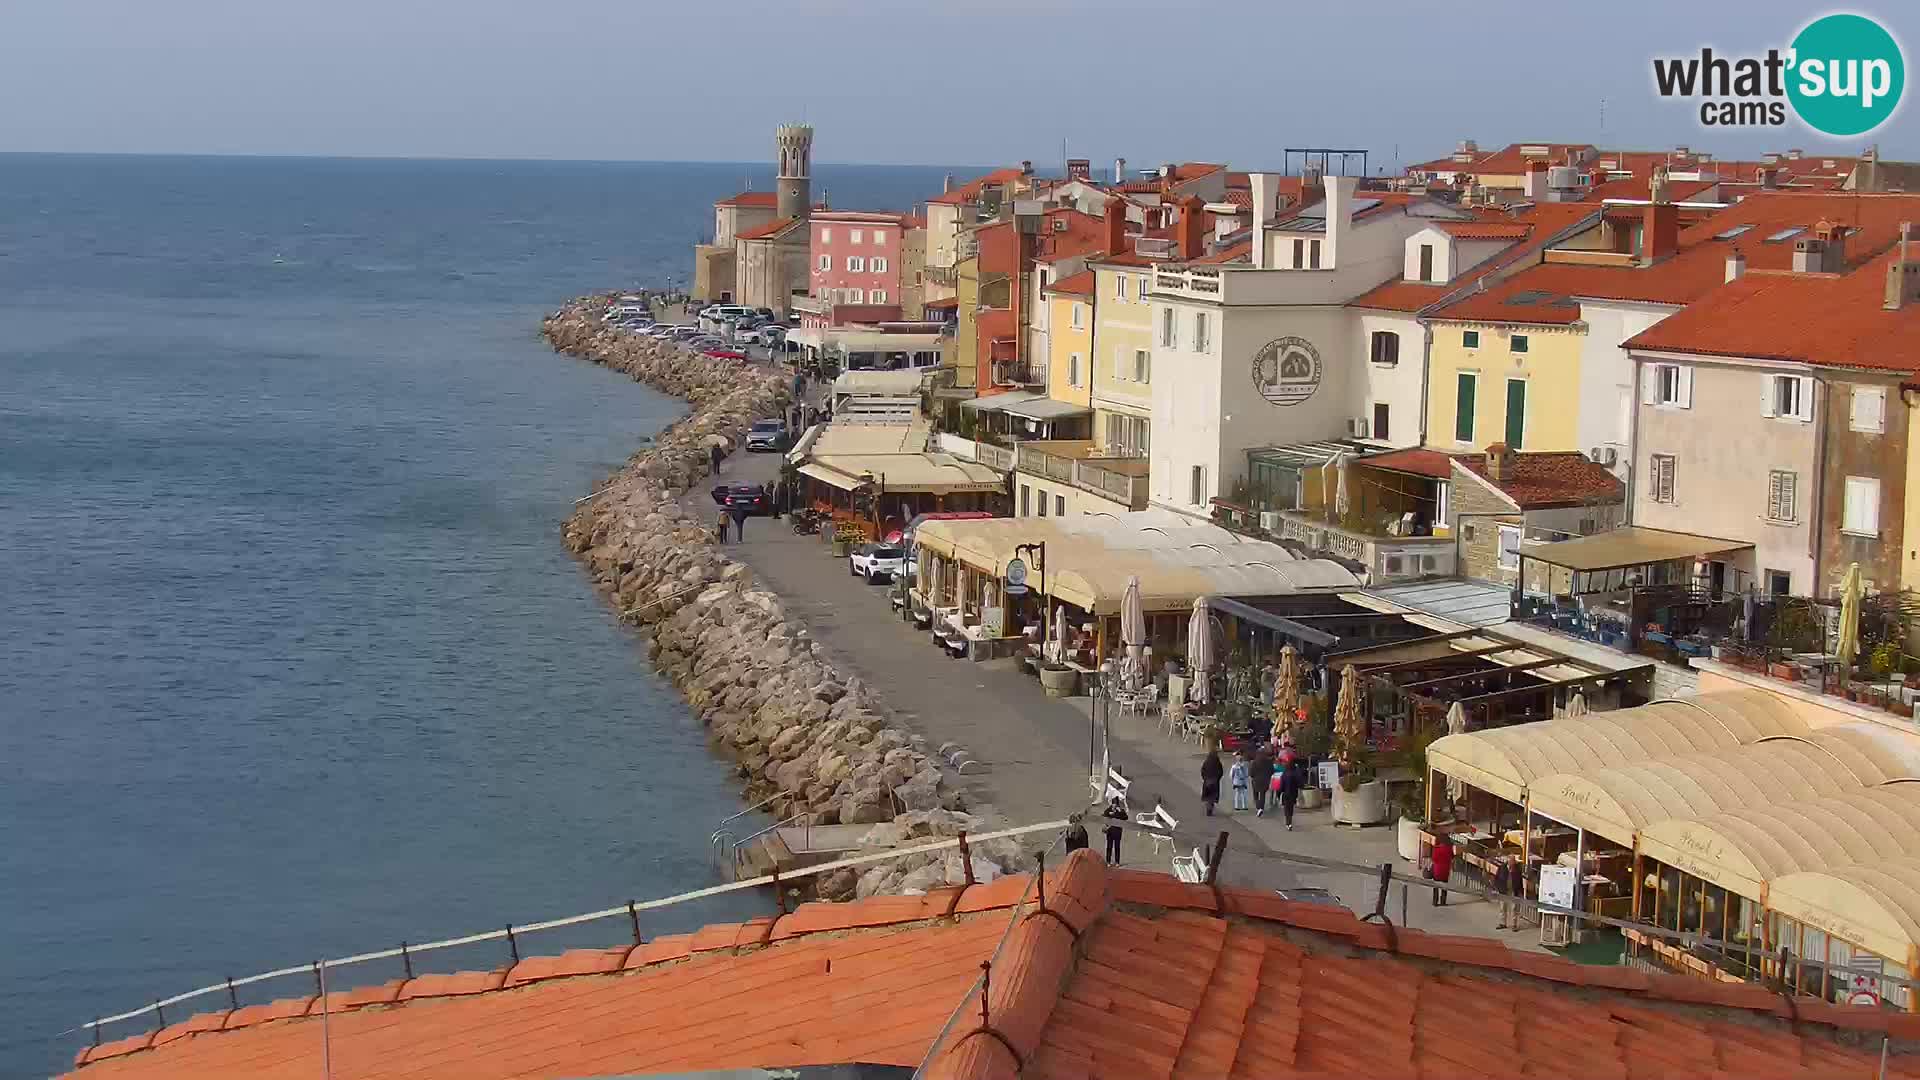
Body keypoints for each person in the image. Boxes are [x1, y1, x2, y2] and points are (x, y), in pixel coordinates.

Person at [1429, 831, 1456, 906]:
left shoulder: (1436, 848)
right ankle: (1443, 901)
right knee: (1444, 887)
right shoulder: (1449, 848)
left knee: (1436, 886)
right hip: (1445, 870)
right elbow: (1452, 857)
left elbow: (1434, 859)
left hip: (1437, 870)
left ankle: (1435, 902)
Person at [1278, 758, 1304, 830]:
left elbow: (1281, 786)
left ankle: (1288, 823)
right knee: (1291, 808)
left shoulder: (1284, 774)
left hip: (1286, 794)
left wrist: (1279, 793)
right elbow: (1300, 783)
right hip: (1293, 793)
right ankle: (1290, 822)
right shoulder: (1295, 773)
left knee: (1286, 809)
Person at [1249, 747, 1275, 816]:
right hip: (1266, 780)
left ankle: (1258, 805)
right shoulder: (1269, 761)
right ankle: (1261, 808)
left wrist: (1253, 776)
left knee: (1255, 793)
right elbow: (1272, 771)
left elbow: (1251, 773)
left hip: (1256, 780)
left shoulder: (1254, 762)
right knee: (1262, 794)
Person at [1101, 797, 1127, 865]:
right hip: (1110, 831)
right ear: (1112, 804)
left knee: (1117, 847)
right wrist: (1110, 814)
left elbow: (1125, 817)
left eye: (1116, 804)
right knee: (1109, 847)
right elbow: (1104, 817)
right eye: (1114, 804)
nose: (1115, 805)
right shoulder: (1108, 810)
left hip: (1118, 831)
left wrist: (1120, 811)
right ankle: (1108, 861)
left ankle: (1117, 861)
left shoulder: (1121, 811)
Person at [1200, 750, 1223, 817]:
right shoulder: (1217, 762)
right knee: (1213, 796)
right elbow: (1221, 771)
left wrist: (1204, 778)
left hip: (1207, 781)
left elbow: (1202, 771)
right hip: (1215, 782)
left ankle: (1208, 807)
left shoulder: (1206, 762)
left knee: (1207, 796)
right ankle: (1210, 807)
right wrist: (1218, 778)